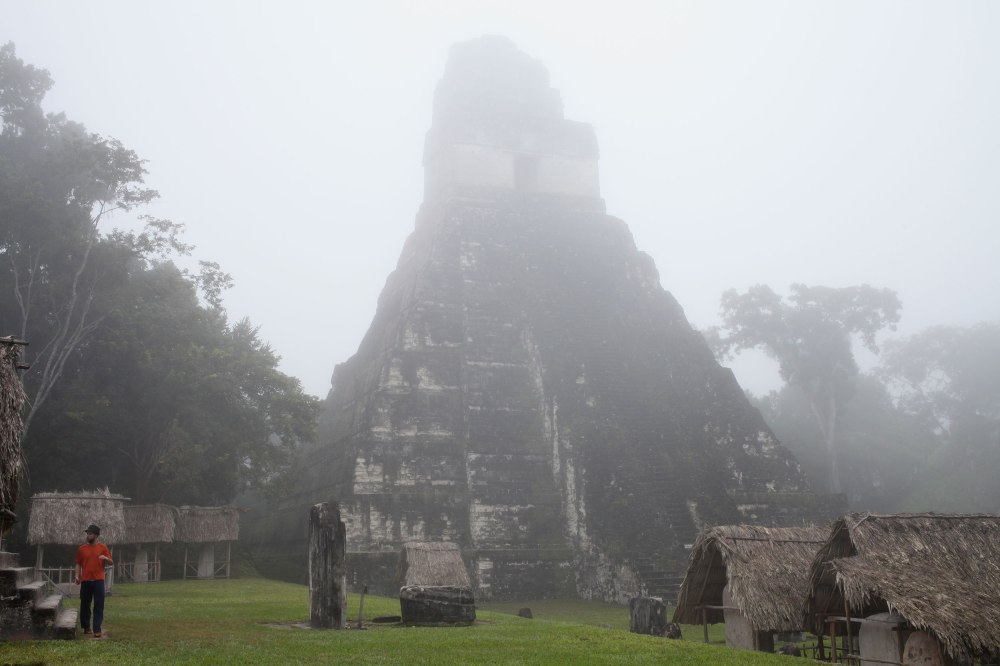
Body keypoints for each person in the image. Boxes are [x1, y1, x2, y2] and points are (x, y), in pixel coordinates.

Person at [75, 524, 113, 638]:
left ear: (96, 535)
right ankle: (86, 627)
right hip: (86, 580)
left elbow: (111, 562)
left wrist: (105, 558)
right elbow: (78, 563)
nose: (88, 535)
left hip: (99, 581)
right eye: (87, 533)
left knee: (99, 604)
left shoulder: (103, 547)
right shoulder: (82, 549)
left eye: (90, 533)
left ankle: (97, 629)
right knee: (85, 605)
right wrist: (77, 575)